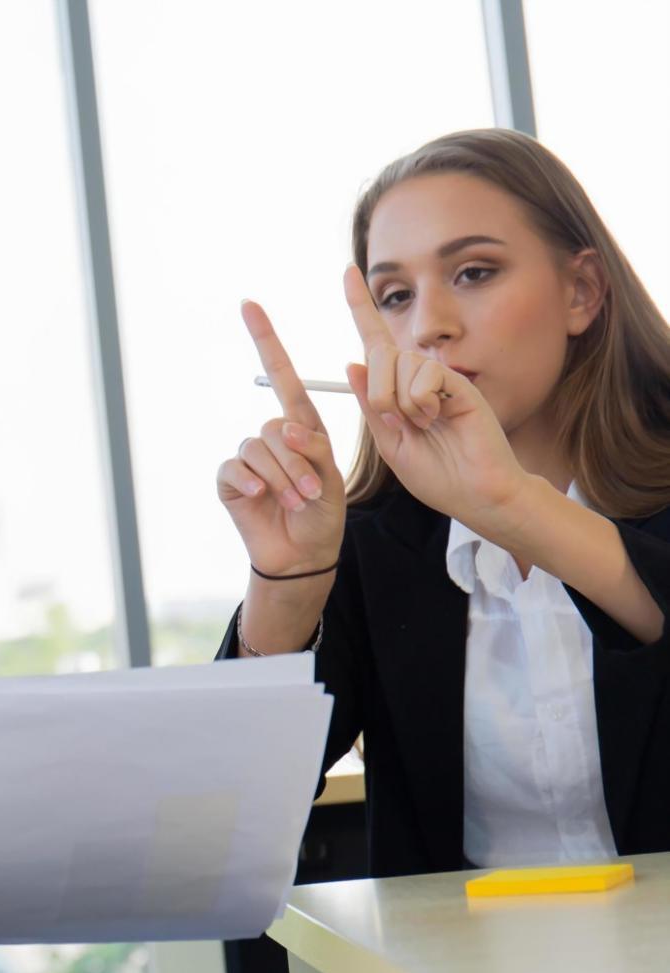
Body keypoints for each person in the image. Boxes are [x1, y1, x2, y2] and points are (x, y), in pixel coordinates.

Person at [217, 128, 670, 877]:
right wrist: (286, 584)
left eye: (472, 273)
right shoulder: (371, 542)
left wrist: (514, 507)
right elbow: (231, 811)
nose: (428, 325)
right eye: (395, 296)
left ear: (580, 293)